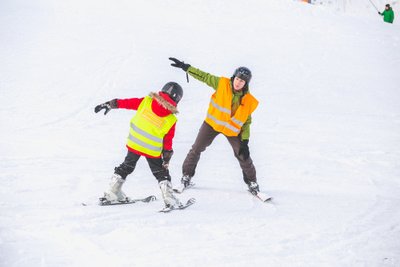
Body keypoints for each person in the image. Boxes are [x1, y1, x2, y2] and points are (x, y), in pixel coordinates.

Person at [168, 57, 261, 195]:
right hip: (211, 125)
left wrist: (245, 141)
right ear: (233, 77)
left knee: (243, 155)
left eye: (242, 81)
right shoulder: (221, 84)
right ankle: (186, 176)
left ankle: (252, 183)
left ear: (245, 83)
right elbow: (204, 76)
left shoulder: (248, 100)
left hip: (231, 131)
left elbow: (247, 122)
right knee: (196, 149)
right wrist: (186, 67)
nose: (238, 82)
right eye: (237, 78)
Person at [94, 82, 184, 209]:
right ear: (178, 99)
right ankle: (169, 199)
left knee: (127, 166)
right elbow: (168, 141)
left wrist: (110, 104)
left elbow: (128, 103)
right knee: (160, 172)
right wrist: (166, 158)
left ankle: (112, 193)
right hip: (152, 150)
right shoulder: (171, 119)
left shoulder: (146, 101)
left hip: (134, 143)